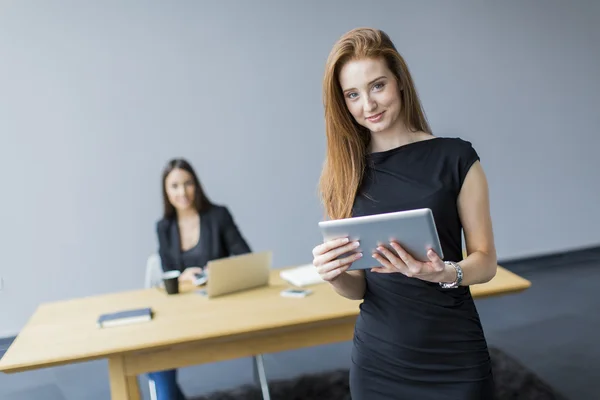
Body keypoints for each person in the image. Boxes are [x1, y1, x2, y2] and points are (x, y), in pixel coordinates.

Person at [312, 27, 498, 400]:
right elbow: (358, 288)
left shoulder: (456, 158)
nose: (369, 105)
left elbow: (486, 262)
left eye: (377, 86)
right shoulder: (342, 174)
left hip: (454, 353)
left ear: (399, 82)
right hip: (379, 360)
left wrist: (445, 272)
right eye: (353, 94)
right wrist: (334, 276)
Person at [148, 158, 251, 400]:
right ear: (166, 191)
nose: (182, 192)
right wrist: (184, 276)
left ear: (197, 185)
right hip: (183, 312)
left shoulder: (218, 215)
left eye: (188, 184)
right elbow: (168, 274)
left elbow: (245, 257)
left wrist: (214, 270)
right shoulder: (164, 227)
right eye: (174, 186)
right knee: (155, 356)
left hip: (221, 307)